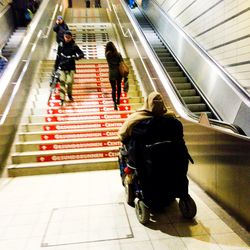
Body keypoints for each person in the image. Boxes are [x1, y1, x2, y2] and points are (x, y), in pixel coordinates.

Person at [54, 30, 85, 106]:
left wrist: (76, 57)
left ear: (71, 37)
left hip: (70, 67)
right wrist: (56, 67)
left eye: (69, 37)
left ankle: (69, 94)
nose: (67, 39)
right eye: (66, 37)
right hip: (62, 67)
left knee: (69, 82)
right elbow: (58, 57)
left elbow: (81, 54)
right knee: (62, 82)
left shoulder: (74, 46)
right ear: (64, 37)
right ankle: (62, 98)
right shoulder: (60, 45)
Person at [105, 41, 128, 110]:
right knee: (119, 86)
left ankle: (114, 103)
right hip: (118, 73)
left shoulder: (107, 54)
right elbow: (122, 62)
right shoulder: (118, 54)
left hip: (112, 73)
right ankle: (118, 100)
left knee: (113, 89)